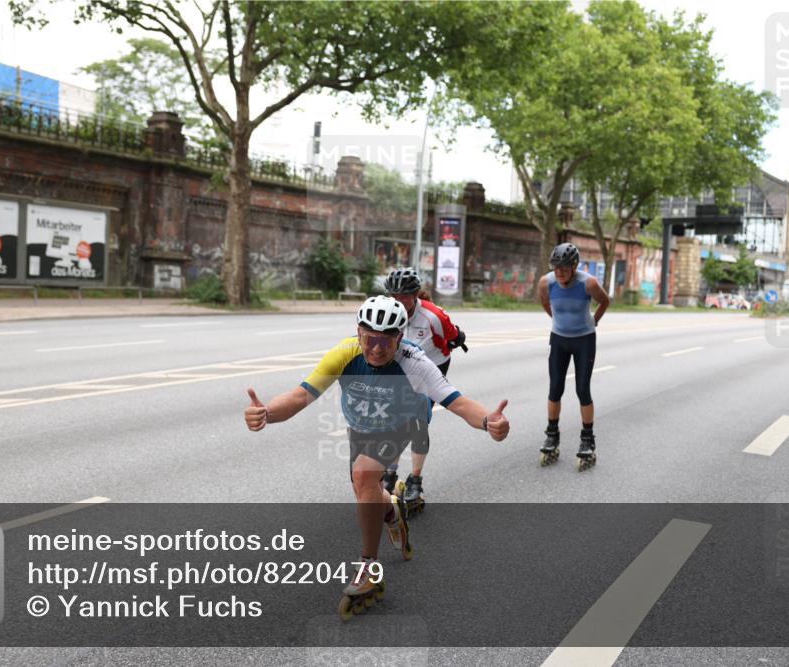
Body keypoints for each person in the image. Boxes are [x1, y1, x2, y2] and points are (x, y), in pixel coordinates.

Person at [244, 295, 510, 618]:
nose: (377, 348)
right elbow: (301, 396)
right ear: (358, 333)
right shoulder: (344, 354)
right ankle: (391, 510)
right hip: (362, 427)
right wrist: (267, 413)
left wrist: (488, 421)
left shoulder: (415, 361)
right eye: (370, 339)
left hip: (404, 421)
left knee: (364, 476)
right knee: (365, 491)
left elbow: (458, 402)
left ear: (401, 337)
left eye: (387, 341)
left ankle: (368, 568)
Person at [383, 267, 467, 513]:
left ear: (416, 294)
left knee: (418, 422)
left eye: (405, 296)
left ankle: (416, 481)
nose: (399, 301)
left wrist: (457, 338)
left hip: (431, 366)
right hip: (401, 367)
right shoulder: (386, 312)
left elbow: (453, 336)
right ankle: (389, 474)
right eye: (394, 296)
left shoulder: (433, 315)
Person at [537, 243, 610, 470]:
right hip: (559, 339)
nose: (559, 272)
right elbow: (545, 302)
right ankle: (552, 435)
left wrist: (594, 320)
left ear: (575, 266)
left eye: (564, 268)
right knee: (555, 388)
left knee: (582, 389)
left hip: (584, 340)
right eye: (556, 268)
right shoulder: (545, 282)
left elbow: (605, 301)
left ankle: (587, 440)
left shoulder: (588, 283)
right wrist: (558, 321)